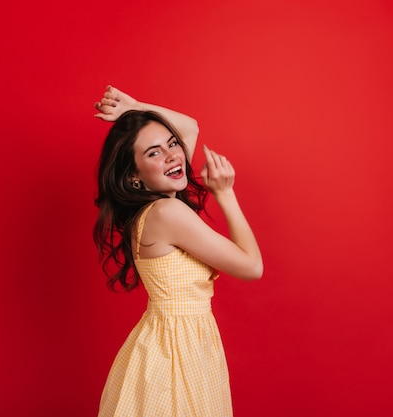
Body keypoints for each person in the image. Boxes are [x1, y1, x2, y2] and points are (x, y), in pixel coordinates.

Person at [93, 85, 263, 417]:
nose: (173, 155)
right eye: (153, 153)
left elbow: (190, 127)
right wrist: (225, 195)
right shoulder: (167, 214)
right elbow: (251, 267)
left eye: (172, 146)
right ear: (134, 177)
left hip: (180, 346)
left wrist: (134, 108)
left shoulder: (154, 209)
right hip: (174, 356)